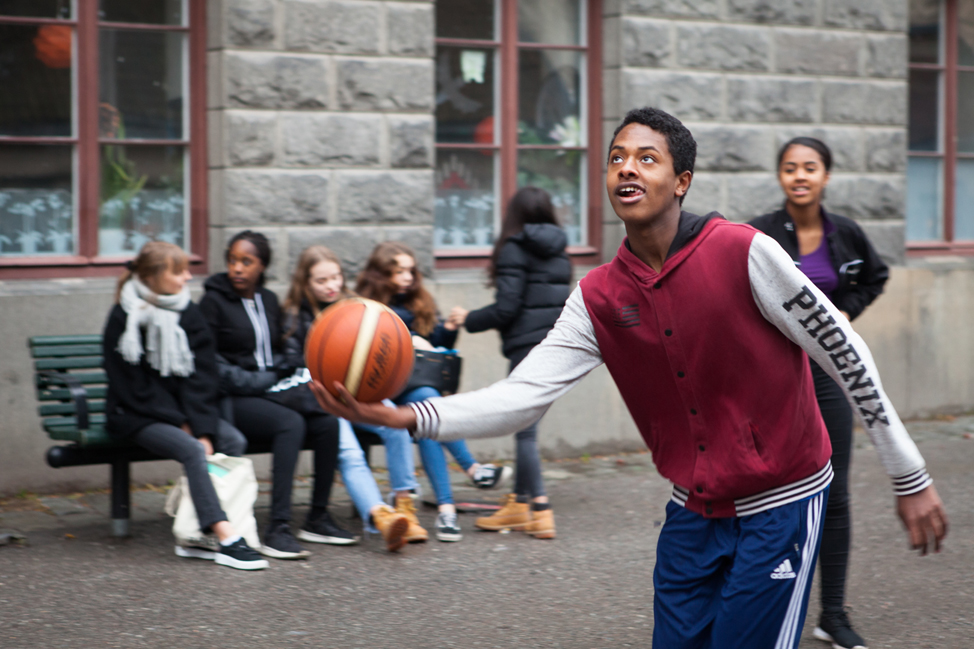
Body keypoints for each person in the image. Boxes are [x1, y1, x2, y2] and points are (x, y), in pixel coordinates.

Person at [310, 107, 948, 649]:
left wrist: (908, 473)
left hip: (780, 506)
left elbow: (845, 353)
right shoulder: (597, 296)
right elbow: (521, 398)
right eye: (617, 157)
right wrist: (404, 418)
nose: (626, 168)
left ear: (681, 182)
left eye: (647, 158)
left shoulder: (744, 251)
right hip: (690, 515)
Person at [749, 137, 890, 649]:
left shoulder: (846, 234)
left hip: (828, 378)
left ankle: (832, 612)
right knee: (769, 491)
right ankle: (767, 603)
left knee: (835, 492)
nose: (800, 176)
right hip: (773, 380)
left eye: (810, 168)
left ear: (826, 176)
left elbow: (875, 277)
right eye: (790, 168)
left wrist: (845, 314)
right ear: (781, 177)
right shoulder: (760, 234)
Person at [103, 241, 267, 570]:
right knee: (193, 450)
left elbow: (202, 376)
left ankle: (196, 534)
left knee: (232, 440)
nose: (187, 278)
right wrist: (183, 424)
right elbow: (131, 386)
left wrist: (203, 426)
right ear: (151, 276)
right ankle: (226, 538)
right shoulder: (124, 315)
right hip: (136, 414)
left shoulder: (186, 311)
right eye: (178, 272)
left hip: (182, 413)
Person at [200, 231, 351, 560]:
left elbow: (283, 351)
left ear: (262, 265)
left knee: (327, 421)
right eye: (232, 261)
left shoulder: (268, 299)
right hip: (232, 398)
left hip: (271, 391)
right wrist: (264, 379)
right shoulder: (212, 303)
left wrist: (287, 367)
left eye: (247, 262)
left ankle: (317, 517)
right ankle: (277, 528)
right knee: (290, 423)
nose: (237, 268)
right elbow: (212, 366)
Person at [355, 242, 511, 542]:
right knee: (428, 405)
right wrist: (408, 340)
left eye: (410, 270)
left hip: (416, 387)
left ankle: (447, 510)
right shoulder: (369, 307)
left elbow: (434, 341)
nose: (407, 277)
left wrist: (450, 328)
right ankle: (472, 470)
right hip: (384, 392)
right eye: (398, 271)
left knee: (426, 415)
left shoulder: (420, 301)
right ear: (381, 273)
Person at [281, 244, 425, 548]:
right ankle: (380, 517)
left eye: (335, 277)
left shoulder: (356, 310)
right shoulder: (294, 316)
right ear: (305, 283)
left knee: (396, 424)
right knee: (349, 452)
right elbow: (291, 364)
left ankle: (404, 506)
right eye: (321, 281)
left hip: (362, 394)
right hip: (325, 399)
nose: (331, 285)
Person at [449, 187, 571, 539]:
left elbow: (507, 308)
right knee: (527, 426)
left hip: (525, 349)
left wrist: (468, 317)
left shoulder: (514, 248)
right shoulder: (560, 250)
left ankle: (541, 510)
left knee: (524, 431)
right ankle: (518, 505)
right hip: (556, 346)